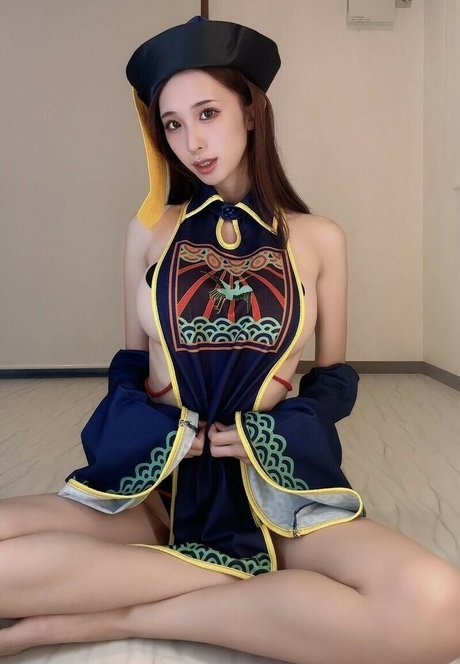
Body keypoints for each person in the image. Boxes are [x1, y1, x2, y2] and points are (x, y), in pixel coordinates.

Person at [0, 16, 459, 664]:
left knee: (439, 605)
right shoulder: (149, 230)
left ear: (250, 111)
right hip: (161, 488)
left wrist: (261, 438)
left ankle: (101, 616)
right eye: (172, 124)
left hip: (271, 490)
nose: (192, 141)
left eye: (208, 113)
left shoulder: (320, 238)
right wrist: (166, 438)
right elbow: (130, 369)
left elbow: (333, 382)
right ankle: (255, 593)